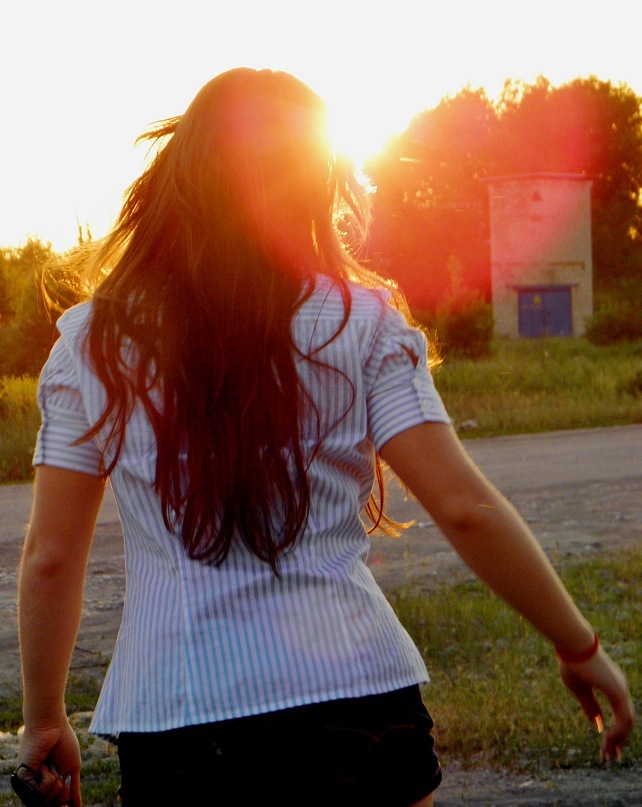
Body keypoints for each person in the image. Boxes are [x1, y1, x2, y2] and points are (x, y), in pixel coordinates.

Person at [15, 67, 634, 807]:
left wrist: (44, 717)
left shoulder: (90, 344)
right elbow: (465, 506)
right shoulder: (362, 324)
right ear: (313, 184)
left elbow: (52, 556)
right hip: (356, 703)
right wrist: (577, 644)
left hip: (178, 720)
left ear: (179, 178)